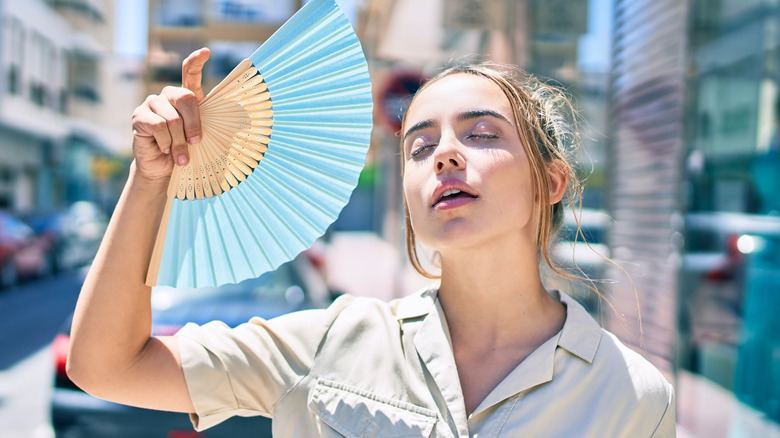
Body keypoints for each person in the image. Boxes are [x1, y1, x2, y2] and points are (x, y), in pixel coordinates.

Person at [67, 48, 676, 437]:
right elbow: (106, 366)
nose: (445, 155)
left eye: (482, 134)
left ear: (550, 181)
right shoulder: (332, 341)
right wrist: (150, 180)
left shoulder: (635, 398)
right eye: (420, 146)